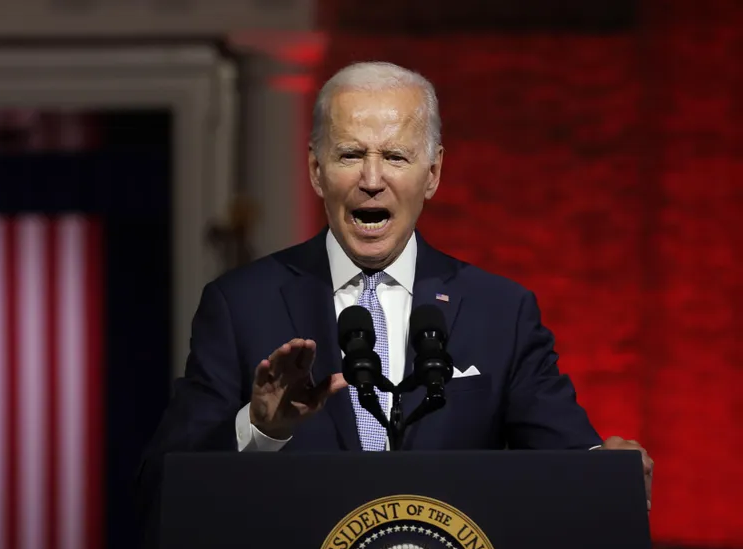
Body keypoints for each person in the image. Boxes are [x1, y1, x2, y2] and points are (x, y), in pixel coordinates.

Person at [138, 61, 653, 509]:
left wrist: (609, 471)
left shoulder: (501, 312)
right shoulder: (241, 305)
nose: (371, 179)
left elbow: (568, 460)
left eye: (395, 157)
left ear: (433, 174)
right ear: (316, 171)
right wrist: (259, 428)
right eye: (349, 155)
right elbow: (162, 480)